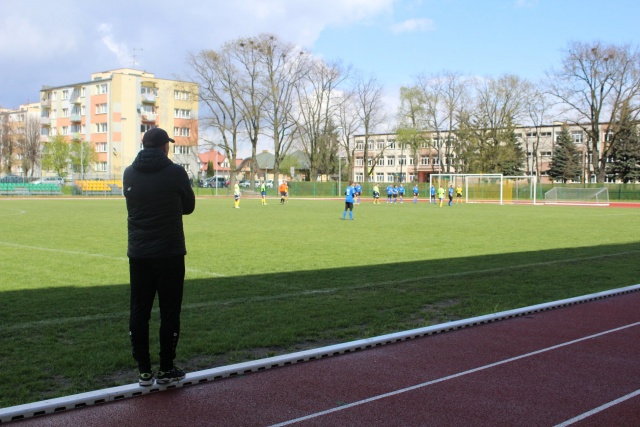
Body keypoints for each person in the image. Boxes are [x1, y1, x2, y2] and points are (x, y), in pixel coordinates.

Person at [123, 127, 196, 386]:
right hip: (169, 252)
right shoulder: (176, 172)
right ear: (165, 146)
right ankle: (166, 368)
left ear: (144, 145)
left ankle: (144, 371)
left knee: (139, 310)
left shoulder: (129, 172)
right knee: (170, 311)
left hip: (139, 253)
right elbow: (189, 207)